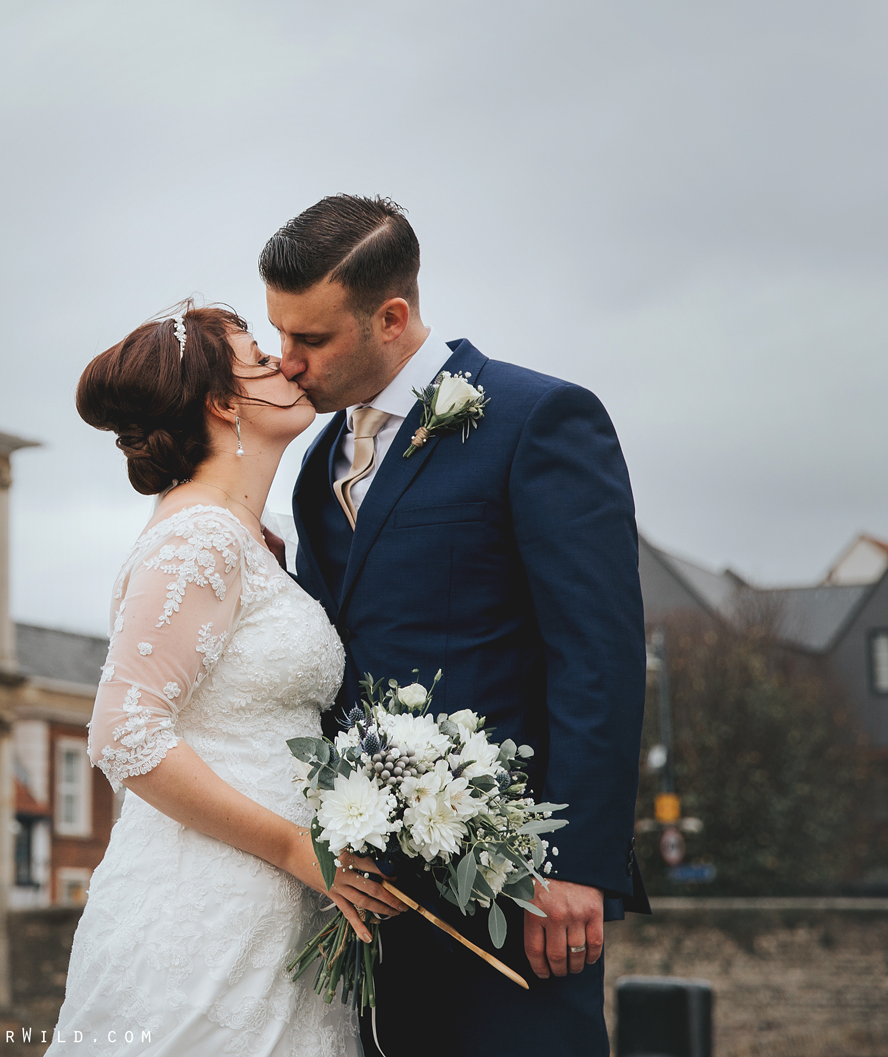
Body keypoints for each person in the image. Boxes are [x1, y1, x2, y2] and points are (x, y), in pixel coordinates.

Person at [263, 195, 650, 1056]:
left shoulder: (539, 421)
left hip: (520, 893)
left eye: (311, 339)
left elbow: (600, 655)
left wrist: (578, 864)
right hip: (370, 899)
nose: (287, 363)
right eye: (279, 334)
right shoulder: (318, 464)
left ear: (391, 316)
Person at [50, 306, 398, 1056]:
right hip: (206, 909)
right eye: (260, 359)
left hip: (278, 916)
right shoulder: (195, 536)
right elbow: (124, 732)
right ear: (221, 401)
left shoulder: (262, 535)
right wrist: (294, 847)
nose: (287, 364)